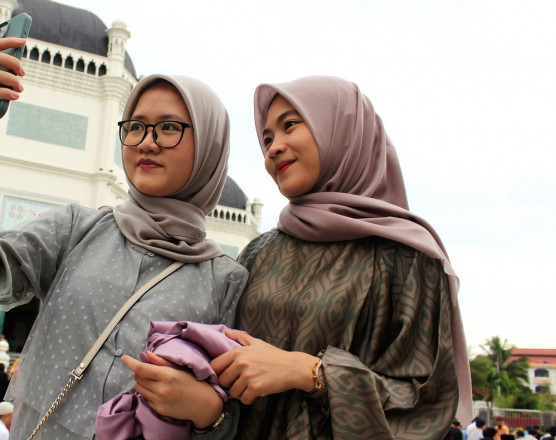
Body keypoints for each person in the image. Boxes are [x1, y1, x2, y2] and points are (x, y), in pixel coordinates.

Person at [0, 36, 247, 439]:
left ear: (209, 145)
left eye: (168, 128)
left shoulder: (225, 280)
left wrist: (208, 412)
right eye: (136, 127)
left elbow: (237, 417)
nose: (146, 141)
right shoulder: (78, 230)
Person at [127, 76, 471, 439]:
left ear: (343, 132)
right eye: (267, 139)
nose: (274, 148)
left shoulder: (407, 257)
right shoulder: (261, 253)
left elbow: (426, 404)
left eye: (290, 125)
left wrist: (310, 372)